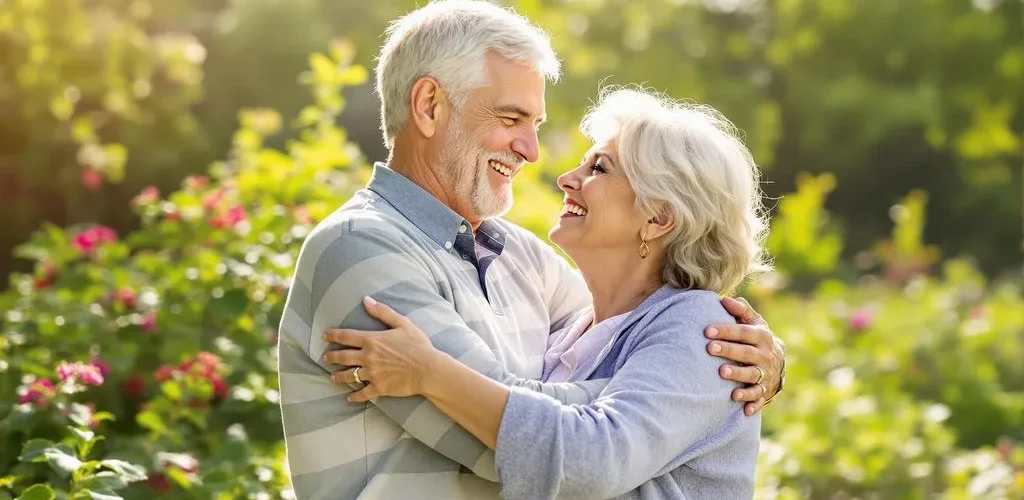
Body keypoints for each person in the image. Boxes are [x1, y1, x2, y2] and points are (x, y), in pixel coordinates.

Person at [277, 1, 784, 499]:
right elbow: (503, 450)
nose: (533, 153)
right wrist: (675, 402)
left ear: (660, 217)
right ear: (430, 105)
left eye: (534, 126)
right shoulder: (360, 249)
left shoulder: (520, 257)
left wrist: (718, 380)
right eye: (510, 118)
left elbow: (622, 346)